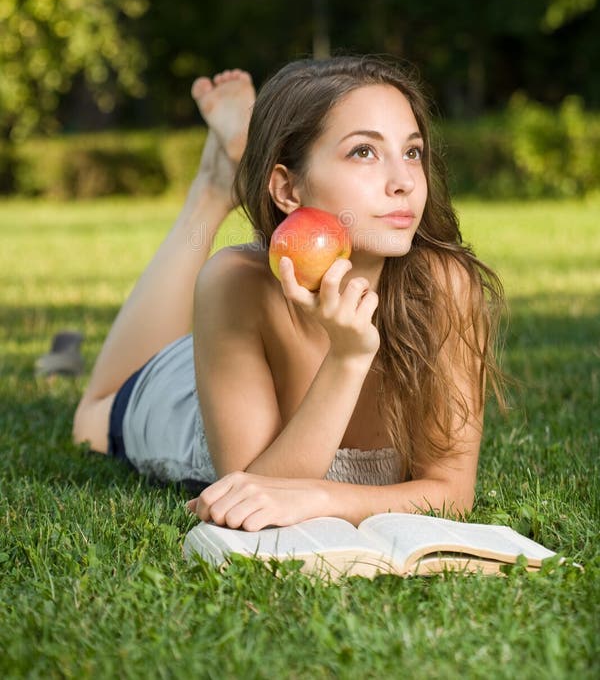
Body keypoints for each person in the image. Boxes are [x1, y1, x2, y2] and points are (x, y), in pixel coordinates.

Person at [73, 56, 505, 532]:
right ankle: (214, 189)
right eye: (364, 152)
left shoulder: (446, 286)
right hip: (192, 399)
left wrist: (317, 498)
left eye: (412, 152)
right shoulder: (236, 283)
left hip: (238, 363)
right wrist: (347, 359)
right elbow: (251, 496)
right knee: (92, 419)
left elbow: (452, 492)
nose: (403, 182)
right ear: (287, 188)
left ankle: (235, 163)